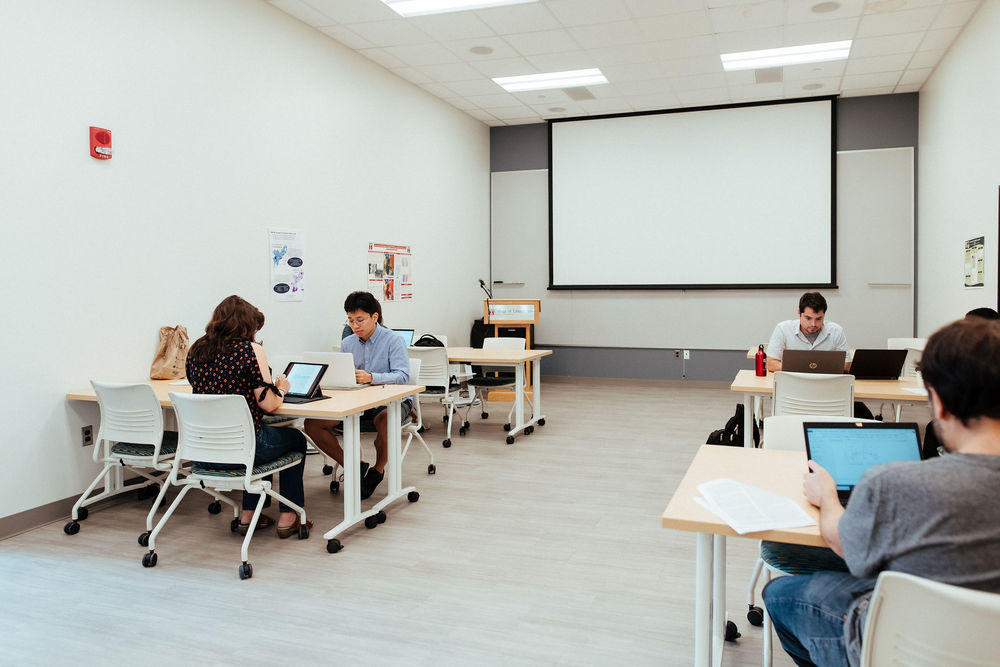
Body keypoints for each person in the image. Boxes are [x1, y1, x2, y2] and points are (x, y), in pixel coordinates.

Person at [762, 317, 1000, 667]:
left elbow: (845, 545)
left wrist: (828, 496)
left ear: (940, 404)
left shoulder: (893, 483)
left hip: (900, 643)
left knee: (780, 592)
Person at [186, 295, 309, 538]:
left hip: (203, 451)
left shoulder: (196, 349)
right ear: (246, 325)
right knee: (294, 438)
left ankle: (249, 514)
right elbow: (270, 404)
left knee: (256, 436)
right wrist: (282, 387)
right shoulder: (250, 350)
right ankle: (288, 516)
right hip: (245, 449)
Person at [304, 291, 410, 500]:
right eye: (351, 321)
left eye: (360, 320)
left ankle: (377, 471)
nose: (355, 326)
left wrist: (372, 377)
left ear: (374, 317)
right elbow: (344, 376)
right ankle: (353, 467)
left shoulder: (393, 340)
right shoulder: (348, 343)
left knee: (386, 419)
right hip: (358, 401)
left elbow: (403, 377)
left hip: (392, 401)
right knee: (312, 424)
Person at [766, 291, 849, 372]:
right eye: (808, 318)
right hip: (794, 381)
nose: (813, 324)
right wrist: (802, 369)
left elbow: (846, 365)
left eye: (818, 319)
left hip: (825, 382)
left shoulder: (836, 331)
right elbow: (771, 363)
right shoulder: (783, 329)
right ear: (799, 313)